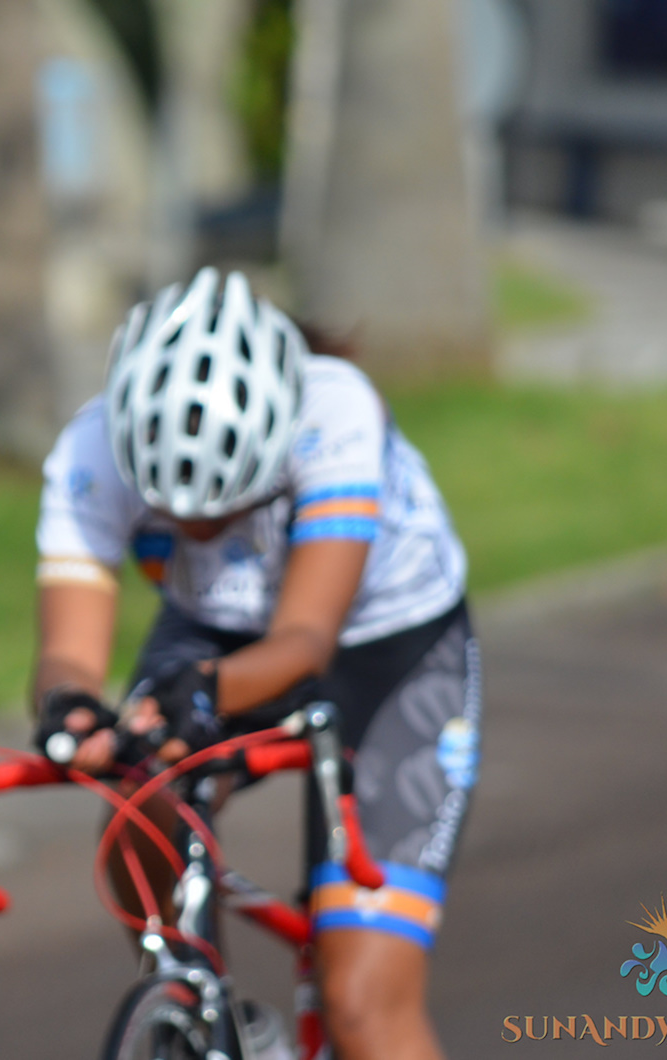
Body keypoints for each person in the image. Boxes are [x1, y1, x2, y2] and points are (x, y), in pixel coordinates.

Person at [31, 267, 478, 1060]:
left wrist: (194, 698)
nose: (198, 530)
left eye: (229, 507)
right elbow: (68, 652)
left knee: (362, 1005)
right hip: (215, 627)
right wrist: (70, 707)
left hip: (385, 647)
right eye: (171, 513)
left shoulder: (335, 410)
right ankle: (203, 1014)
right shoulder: (90, 450)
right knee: (141, 804)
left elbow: (306, 644)